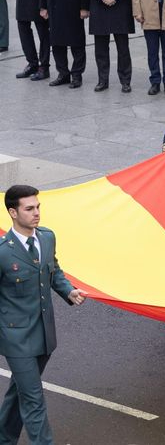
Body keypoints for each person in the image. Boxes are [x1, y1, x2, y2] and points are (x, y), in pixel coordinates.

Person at [0, 185, 88, 445]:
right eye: (29, 209)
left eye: (38, 207)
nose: (36, 213)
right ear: (13, 212)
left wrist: (68, 291)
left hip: (44, 334)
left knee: (20, 392)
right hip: (16, 339)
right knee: (33, 400)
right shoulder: (3, 251)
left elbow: (54, 271)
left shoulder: (47, 238)